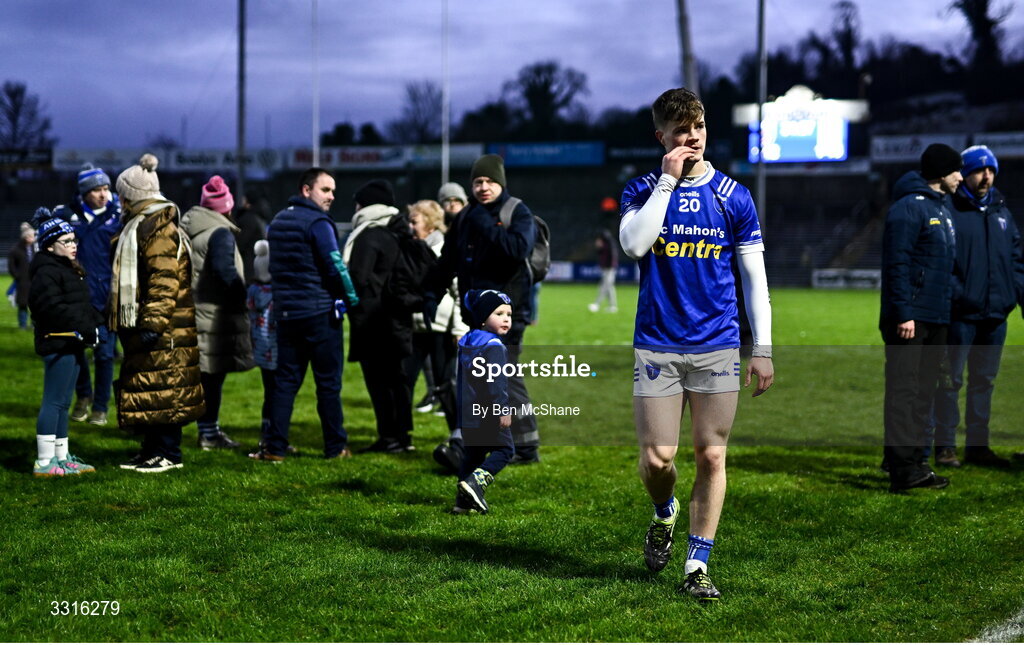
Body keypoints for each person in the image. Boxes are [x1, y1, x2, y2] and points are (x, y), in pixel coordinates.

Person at [619, 88, 774, 602]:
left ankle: (696, 564)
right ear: (661, 136)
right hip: (658, 345)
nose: (692, 140)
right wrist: (667, 180)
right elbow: (636, 244)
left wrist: (764, 347)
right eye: (681, 132)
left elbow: (755, 280)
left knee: (711, 456)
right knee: (658, 460)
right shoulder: (642, 189)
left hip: (718, 344)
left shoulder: (734, 197)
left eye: (699, 130)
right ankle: (664, 513)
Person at [427, 154, 541, 464]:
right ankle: (482, 443)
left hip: (508, 313)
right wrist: (431, 295)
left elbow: (518, 250)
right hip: (476, 316)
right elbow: (448, 261)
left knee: (504, 376)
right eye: (477, 181)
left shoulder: (516, 211)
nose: (483, 187)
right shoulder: (465, 217)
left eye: (489, 181)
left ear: (500, 183)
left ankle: (525, 446)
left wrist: (485, 225)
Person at [251, 167, 359, 462]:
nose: (332, 196)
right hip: (319, 313)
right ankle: (335, 447)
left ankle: (275, 447)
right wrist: (350, 298)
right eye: (326, 190)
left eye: (333, 191)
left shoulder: (278, 220)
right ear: (306, 190)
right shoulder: (318, 222)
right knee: (328, 384)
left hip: (286, 314)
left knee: (285, 382)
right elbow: (334, 265)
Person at [110, 154, 205, 473]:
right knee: (150, 387)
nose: (118, 201)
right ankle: (151, 449)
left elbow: (164, 280)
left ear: (131, 196)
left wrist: (152, 322)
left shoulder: (156, 227)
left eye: (121, 194)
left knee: (167, 388)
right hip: (150, 323)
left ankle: (168, 453)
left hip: (165, 327)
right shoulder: (144, 224)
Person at [932, 145, 1023, 468]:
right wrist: (960, 295)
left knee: (984, 381)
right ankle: (945, 446)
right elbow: (941, 262)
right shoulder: (949, 211)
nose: (986, 177)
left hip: (996, 315)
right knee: (950, 381)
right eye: (979, 171)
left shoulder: (1001, 211)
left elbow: (1016, 261)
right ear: (966, 174)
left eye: (991, 171)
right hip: (961, 315)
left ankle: (978, 446)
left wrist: (1015, 297)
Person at [879, 143, 962, 491]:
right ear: (942, 173)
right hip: (911, 320)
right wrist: (904, 312)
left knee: (924, 393)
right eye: (956, 170)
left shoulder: (942, 209)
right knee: (904, 392)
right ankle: (901, 470)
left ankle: (917, 465)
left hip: (936, 316)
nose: (961, 176)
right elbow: (897, 265)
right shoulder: (908, 209)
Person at [344, 180, 427, 454]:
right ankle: (401, 437)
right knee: (397, 381)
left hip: (374, 322)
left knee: (380, 383)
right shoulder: (398, 231)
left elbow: (358, 277)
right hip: (398, 318)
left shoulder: (369, 234)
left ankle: (389, 437)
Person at [181, 175, 254, 450]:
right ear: (226, 206)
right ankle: (209, 434)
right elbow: (225, 273)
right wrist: (243, 296)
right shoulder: (220, 232)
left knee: (202, 376)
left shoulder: (190, 227)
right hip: (214, 314)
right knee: (212, 376)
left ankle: (205, 431)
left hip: (194, 309)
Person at [28, 212, 103, 476]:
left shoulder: (65, 267)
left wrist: (96, 321)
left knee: (63, 403)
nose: (73, 244)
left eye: (74, 240)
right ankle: (45, 461)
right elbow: (53, 308)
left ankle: (61, 457)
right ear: (49, 245)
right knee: (54, 402)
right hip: (57, 344)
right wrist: (86, 326)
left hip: (71, 343)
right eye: (66, 241)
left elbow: (79, 305)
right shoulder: (46, 272)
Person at [54, 163, 122, 426]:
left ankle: (101, 407)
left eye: (106, 188)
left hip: (107, 298)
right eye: (96, 190)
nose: (103, 194)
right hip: (78, 298)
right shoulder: (67, 216)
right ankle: (83, 395)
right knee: (77, 351)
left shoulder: (118, 216)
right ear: (84, 193)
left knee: (105, 355)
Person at [451, 289, 516, 514]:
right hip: (488, 412)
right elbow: (496, 382)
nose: (506, 318)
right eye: (498, 313)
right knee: (505, 450)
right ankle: (477, 483)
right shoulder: (494, 346)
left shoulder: (467, 341)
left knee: (473, 454)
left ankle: (461, 505)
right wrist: (502, 409)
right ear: (482, 317)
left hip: (468, 413)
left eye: (508, 313)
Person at [406, 200, 467, 431]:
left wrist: (459, 328)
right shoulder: (410, 249)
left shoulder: (443, 250)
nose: (409, 226)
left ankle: (458, 434)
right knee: (404, 380)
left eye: (414, 221)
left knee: (446, 384)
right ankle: (401, 437)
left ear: (431, 224)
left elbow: (459, 291)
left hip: (441, 331)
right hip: (415, 328)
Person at [235, 189, 270, 285]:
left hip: (248, 269)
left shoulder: (248, 219)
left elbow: (239, 244)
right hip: (258, 269)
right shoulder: (259, 218)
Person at [8, 221, 35, 330]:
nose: (34, 238)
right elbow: (11, 266)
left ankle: (34, 325)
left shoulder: (35, 249)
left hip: (34, 280)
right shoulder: (15, 250)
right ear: (26, 237)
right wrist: (17, 276)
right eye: (32, 236)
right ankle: (23, 325)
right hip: (23, 281)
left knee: (35, 304)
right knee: (23, 304)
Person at [589, 228, 619, 313]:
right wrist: (598, 247)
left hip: (609, 268)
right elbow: (600, 253)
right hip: (607, 268)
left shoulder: (609, 243)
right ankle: (613, 306)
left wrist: (610, 266)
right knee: (609, 287)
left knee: (604, 286)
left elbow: (612, 256)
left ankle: (597, 304)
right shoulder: (606, 243)